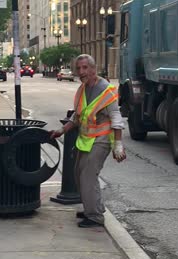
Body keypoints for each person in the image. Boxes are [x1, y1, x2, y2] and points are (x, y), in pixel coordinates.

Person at [50, 54, 126, 228]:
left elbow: (116, 117)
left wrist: (118, 145)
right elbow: (77, 117)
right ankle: (93, 207)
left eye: (85, 68)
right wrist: (61, 130)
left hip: (103, 138)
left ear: (93, 69)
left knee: (88, 176)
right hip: (86, 140)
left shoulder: (106, 89)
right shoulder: (83, 89)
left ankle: (95, 217)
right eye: (79, 68)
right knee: (78, 174)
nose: (81, 72)